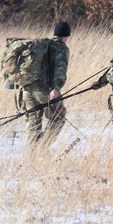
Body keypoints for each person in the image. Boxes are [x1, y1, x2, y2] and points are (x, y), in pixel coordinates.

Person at [22, 21, 71, 149]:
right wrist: (56, 88)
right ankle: (43, 147)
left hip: (27, 89)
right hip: (45, 90)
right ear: (66, 36)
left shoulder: (42, 45)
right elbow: (60, 71)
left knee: (33, 121)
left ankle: (33, 152)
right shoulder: (61, 48)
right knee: (58, 117)